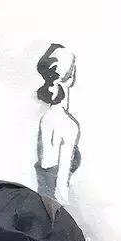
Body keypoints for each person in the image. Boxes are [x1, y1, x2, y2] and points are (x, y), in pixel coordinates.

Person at [34, 43, 81, 205]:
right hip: (53, 205)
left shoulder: (46, 118)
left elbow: (45, 167)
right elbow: (61, 185)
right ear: (71, 76)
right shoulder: (68, 125)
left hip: (42, 202)